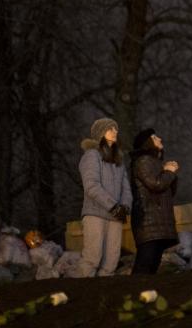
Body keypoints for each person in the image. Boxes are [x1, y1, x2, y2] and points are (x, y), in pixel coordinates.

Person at [76, 117, 132, 277]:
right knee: (92, 258)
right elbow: (91, 186)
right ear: (100, 133)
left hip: (116, 216)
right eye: (110, 129)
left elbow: (126, 188)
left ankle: (104, 298)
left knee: (111, 262)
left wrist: (125, 207)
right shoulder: (91, 155)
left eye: (116, 129)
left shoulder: (118, 159)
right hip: (95, 214)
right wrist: (113, 206)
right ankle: (79, 292)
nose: (115, 131)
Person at [130, 128, 179, 274]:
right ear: (148, 142)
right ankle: (133, 294)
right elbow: (156, 184)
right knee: (145, 265)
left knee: (151, 266)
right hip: (149, 222)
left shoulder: (155, 162)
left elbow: (169, 192)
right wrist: (169, 172)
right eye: (155, 137)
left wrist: (168, 172)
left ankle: (144, 294)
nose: (160, 139)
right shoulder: (143, 161)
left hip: (157, 223)